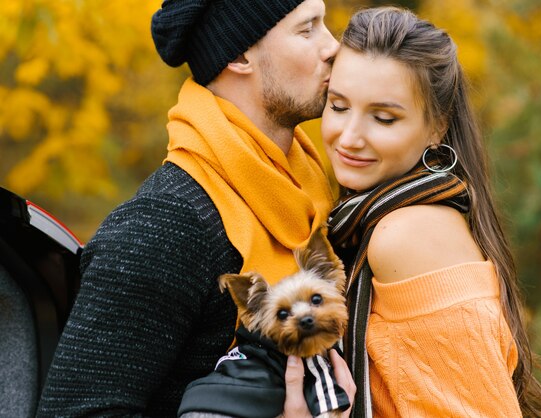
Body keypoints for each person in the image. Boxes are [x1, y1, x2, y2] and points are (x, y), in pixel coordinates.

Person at [37, 0, 355, 416]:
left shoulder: (319, 190)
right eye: (307, 28)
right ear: (239, 55)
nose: (333, 46)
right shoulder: (166, 224)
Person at [321, 7, 541, 418]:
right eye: (338, 106)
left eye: (383, 117)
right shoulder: (377, 216)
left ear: (436, 127)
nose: (349, 136)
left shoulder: (406, 236)